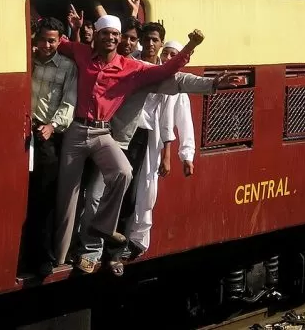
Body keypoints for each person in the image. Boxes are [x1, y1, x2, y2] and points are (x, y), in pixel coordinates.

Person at [53, 14, 206, 274]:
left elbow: (168, 73)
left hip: (107, 133)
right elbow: (58, 43)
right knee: (69, 196)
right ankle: (58, 256)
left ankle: (101, 232)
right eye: (105, 33)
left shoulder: (130, 67)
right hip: (77, 130)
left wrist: (190, 47)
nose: (110, 38)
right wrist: (63, 33)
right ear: (98, 36)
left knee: (124, 176)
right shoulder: (81, 53)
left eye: (115, 34)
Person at [125, 40, 197, 260]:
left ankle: (138, 238)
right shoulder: (148, 71)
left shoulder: (178, 89)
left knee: (147, 189)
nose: (167, 58)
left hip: (155, 142)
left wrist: (185, 155)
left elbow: (184, 125)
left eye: (172, 54)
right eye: (165, 53)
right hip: (137, 135)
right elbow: (138, 46)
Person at [21, 17, 78, 277]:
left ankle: (43, 256)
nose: (46, 44)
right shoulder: (27, 60)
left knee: (44, 199)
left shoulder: (67, 67)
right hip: (23, 132)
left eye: (52, 40)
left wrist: (52, 126)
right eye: (43, 39)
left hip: (47, 135)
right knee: (24, 195)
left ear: (60, 40)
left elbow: (69, 102)